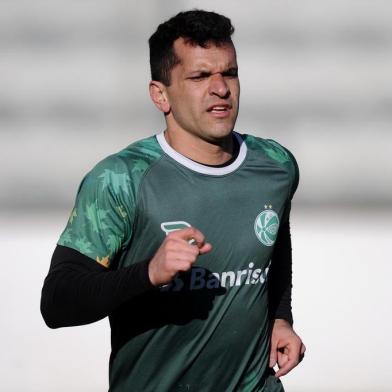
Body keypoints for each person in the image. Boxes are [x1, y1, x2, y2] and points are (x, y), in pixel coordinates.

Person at [41, 9, 305, 391]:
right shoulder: (120, 180)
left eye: (229, 73)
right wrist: (148, 272)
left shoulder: (276, 166)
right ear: (160, 94)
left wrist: (281, 317)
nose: (220, 88)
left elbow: (273, 243)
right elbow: (57, 302)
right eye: (199, 76)